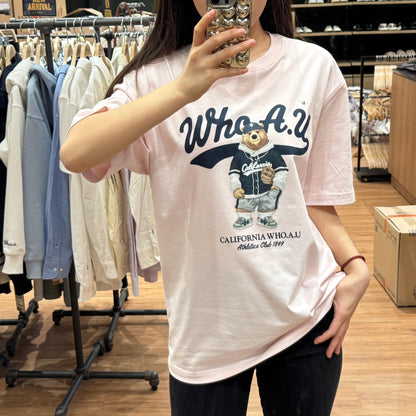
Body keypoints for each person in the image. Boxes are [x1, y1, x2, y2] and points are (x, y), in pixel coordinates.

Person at [61, 1, 370, 414]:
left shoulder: (314, 67)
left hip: (306, 317)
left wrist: (355, 266)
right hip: (207, 333)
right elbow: (75, 153)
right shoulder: (157, 79)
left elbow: (313, 199)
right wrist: (183, 89)